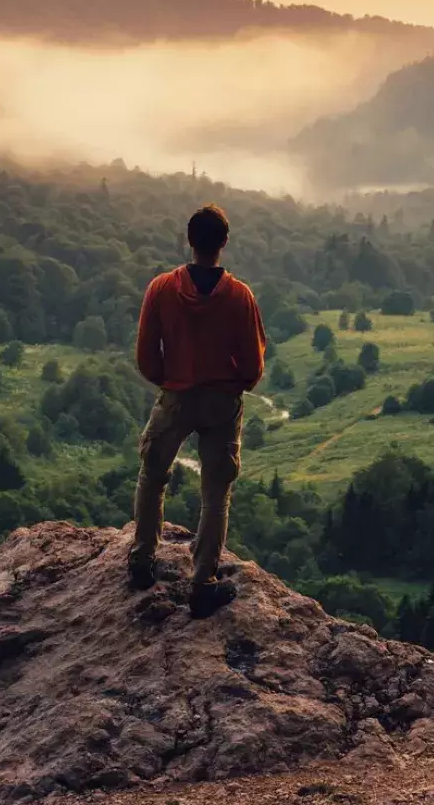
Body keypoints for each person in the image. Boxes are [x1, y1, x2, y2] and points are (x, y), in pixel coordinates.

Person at [130, 203, 267, 616]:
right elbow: (253, 365)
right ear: (223, 243)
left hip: (175, 397)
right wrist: (233, 386)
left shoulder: (162, 289)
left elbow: (145, 354)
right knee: (216, 493)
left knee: (153, 476)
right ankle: (202, 580)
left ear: (189, 240)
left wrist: (168, 382)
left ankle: (141, 561)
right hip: (221, 402)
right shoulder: (239, 296)